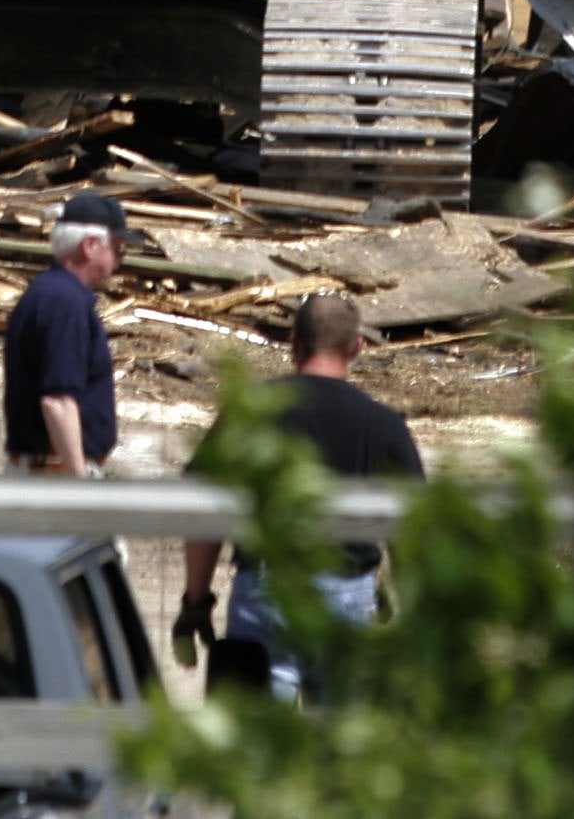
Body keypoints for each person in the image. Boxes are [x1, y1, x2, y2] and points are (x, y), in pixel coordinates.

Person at [175, 292, 422, 702]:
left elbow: (205, 509)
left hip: (267, 587)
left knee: (256, 750)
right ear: (357, 346)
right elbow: (411, 533)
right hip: (349, 595)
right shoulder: (384, 426)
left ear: (293, 342)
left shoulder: (252, 411)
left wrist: (196, 601)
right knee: (344, 750)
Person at [2, 192, 123, 475]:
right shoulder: (64, 303)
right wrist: (77, 483)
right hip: (55, 472)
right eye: (117, 248)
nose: (119, 259)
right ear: (90, 246)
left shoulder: (49, 292)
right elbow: (57, 401)